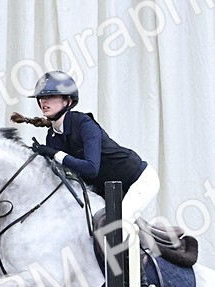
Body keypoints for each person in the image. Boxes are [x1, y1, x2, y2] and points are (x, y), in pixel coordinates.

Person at [15, 71, 160, 223]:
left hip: (139, 180)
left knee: (118, 227)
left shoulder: (85, 124)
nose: (44, 101)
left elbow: (91, 168)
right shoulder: (52, 137)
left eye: (50, 96)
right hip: (108, 189)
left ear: (68, 101)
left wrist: (55, 153)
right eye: (41, 97)